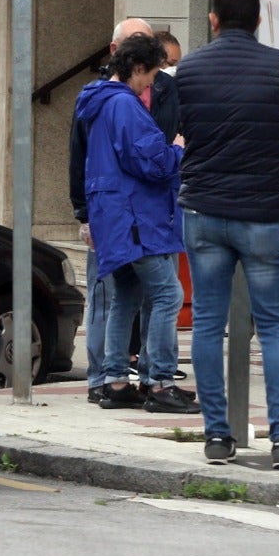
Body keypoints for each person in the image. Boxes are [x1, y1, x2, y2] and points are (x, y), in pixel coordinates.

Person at [176, 0, 279, 469]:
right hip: (268, 215)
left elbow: (178, 132)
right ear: (259, 21)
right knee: (275, 327)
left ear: (213, 19)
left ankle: (217, 437)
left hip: (205, 213)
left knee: (208, 326)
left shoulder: (188, 69)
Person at [73, 33, 197, 414]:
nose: (151, 83)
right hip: (137, 217)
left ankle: (115, 382)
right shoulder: (124, 106)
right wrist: (177, 147)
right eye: (151, 74)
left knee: (125, 296)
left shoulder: (96, 102)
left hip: (113, 215)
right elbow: (154, 163)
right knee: (167, 295)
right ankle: (160, 384)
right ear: (138, 68)